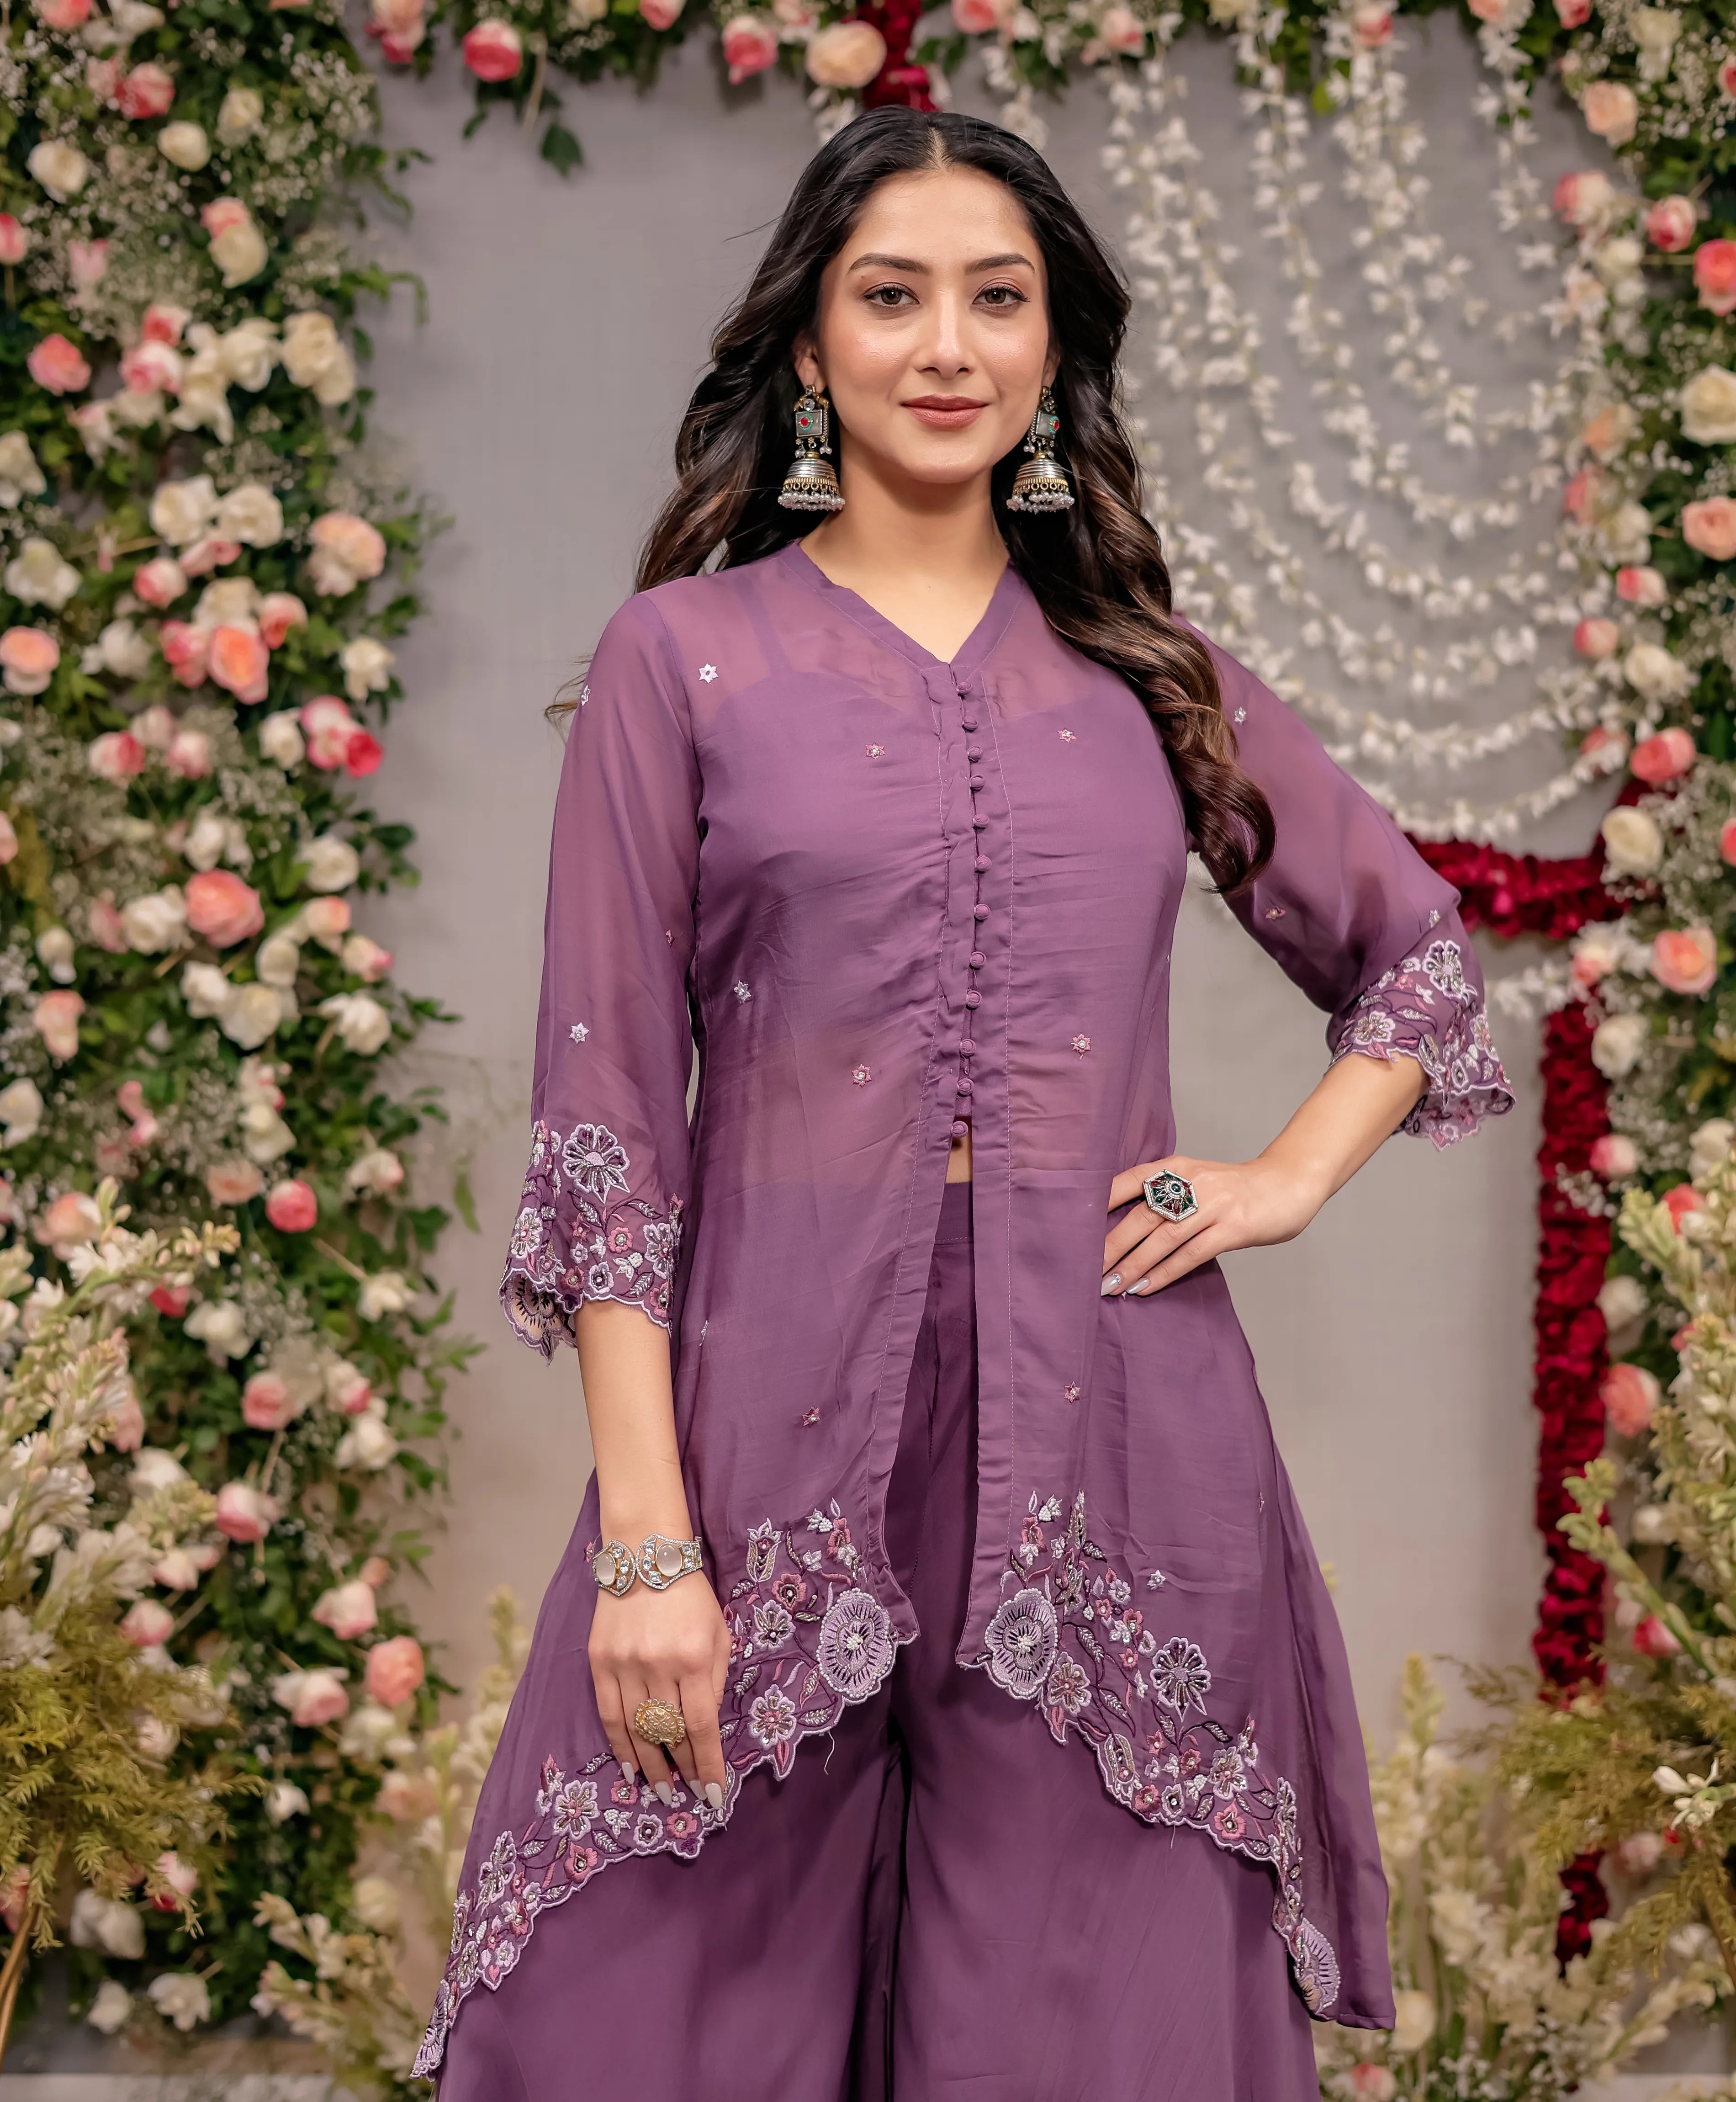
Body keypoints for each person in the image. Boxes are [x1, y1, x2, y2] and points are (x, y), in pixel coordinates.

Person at [419, 104, 1512, 2102]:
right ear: (813, 344)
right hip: (760, 1435)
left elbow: (1415, 964)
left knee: (1088, 2034)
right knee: (656, 2024)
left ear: (1049, 350)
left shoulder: (1140, 668)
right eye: (891, 295)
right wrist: (652, 1547)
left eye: (994, 299)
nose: (946, 344)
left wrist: (1279, 1177)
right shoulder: (685, 664)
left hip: (1114, 1437)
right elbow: (603, 1134)